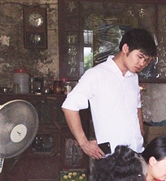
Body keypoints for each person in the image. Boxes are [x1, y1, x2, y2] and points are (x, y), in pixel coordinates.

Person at [62, 28, 157, 158]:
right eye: (140, 57)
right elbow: (69, 106)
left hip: (137, 153)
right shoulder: (97, 74)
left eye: (146, 60)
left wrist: (140, 134)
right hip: (113, 158)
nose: (142, 63)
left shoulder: (133, 77)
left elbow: (137, 108)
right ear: (125, 48)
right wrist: (84, 143)